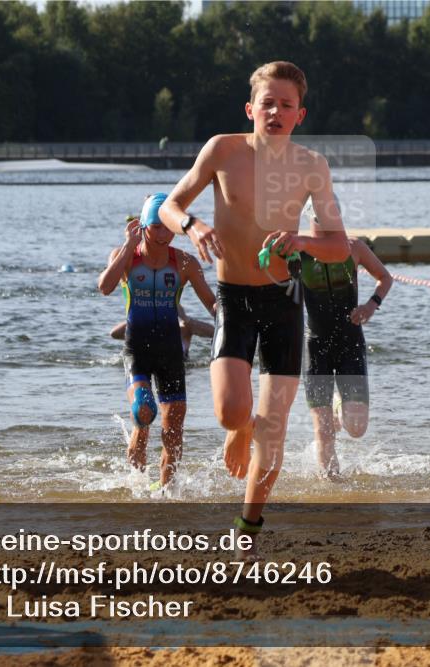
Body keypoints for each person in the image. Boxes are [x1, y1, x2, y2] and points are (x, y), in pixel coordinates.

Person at [159, 61, 349, 555]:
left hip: (284, 301)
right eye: (268, 103)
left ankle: (248, 527)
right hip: (234, 298)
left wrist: (302, 241)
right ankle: (239, 429)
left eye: (286, 105)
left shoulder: (312, 166)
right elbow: (168, 206)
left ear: (300, 114)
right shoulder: (223, 150)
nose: (276, 112)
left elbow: (338, 246)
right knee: (231, 412)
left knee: (274, 425)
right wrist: (193, 226)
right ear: (250, 109)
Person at [99, 192, 216, 489]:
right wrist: (129, 245)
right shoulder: (125, 256)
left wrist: (236, 316)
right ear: (143, 226)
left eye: (168, 228)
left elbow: (212, 304)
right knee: (144, 409)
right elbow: (105, 287)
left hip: (170, 352)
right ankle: (138, 482)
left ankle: (166, 492)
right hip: (137, 348)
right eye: (156, 227)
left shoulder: (185, 263)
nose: (164, 235)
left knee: (173, 428)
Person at [301, 225, 392, 480]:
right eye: (319, 220)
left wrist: (371, 306)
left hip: (349, 342)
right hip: (315, 345)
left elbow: (385, 277)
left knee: (356, 428)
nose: (326, 225)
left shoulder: (354, 247)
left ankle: (339, 403)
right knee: (323, 429)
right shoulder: (300, 251)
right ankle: (332, 487)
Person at [109, 303, 214, 361]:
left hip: (181, 368)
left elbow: (214, 333)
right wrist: (139, 317)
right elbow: (114, 334)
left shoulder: (184, 329)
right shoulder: (146, 328)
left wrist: (186, 319)